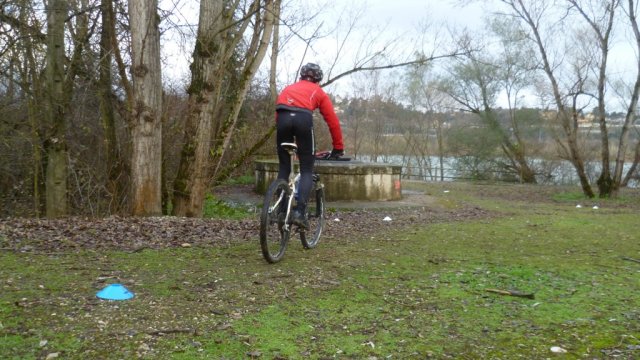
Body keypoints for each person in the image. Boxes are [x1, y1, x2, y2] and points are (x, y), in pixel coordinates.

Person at [275, 63, 344, 229]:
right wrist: (338, 147)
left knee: (284, 167)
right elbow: (332, 121)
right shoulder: (318, 92)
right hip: (303, 119)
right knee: (306, 169)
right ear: (318, 80)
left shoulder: (289, 88)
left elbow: (278, 114)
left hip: (283, 119)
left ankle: (281, 211)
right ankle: (299, 213)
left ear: (301, 76)